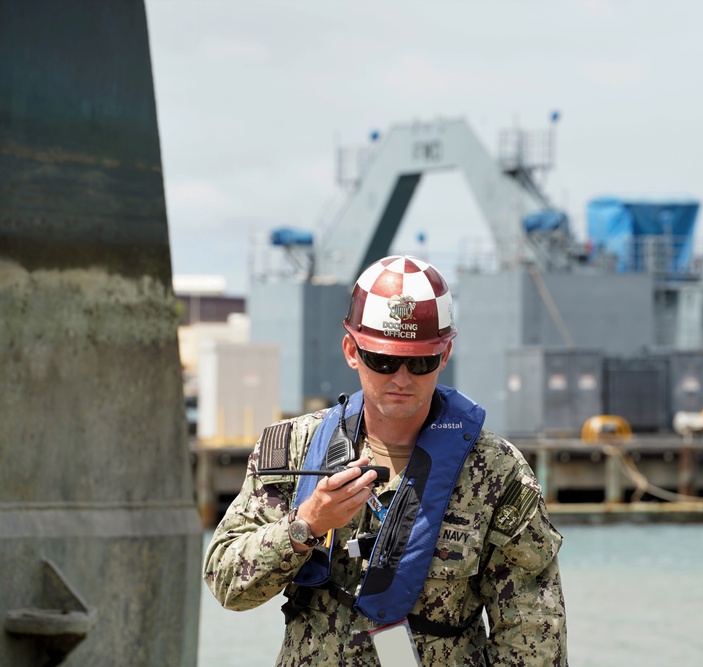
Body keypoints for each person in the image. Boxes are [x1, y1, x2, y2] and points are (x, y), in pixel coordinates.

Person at [204, 255, 568, 666]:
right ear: (351, 351)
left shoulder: (497, 473)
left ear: (445, 355)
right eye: (382, 360)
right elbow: (227, 583)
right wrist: (304, 525)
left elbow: (533, 630)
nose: (401, 378)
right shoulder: (292, 447)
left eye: (420, 362)